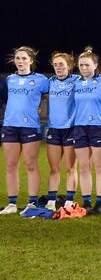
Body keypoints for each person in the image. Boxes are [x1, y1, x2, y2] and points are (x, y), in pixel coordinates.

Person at [1, 46, 49, 215]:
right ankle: (12, 203)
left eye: (24, 58)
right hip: (10, 126)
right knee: (11, 165)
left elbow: (54, 95)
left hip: (30, 127)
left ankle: (32, 203)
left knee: (31, 165)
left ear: (31, 61)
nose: (20, 61)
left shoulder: (41, 80)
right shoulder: (10, 79)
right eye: (18, 58)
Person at [71, 47, 101, 214]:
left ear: (95, 65)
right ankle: (86, 201)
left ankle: (100, 203)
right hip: (79, 127)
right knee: (83, 166)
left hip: (99, 127)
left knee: (100, 166)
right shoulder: (75, 82)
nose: (84, 68)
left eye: (87, 65)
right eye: (81, 65)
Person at [44, 52, 79, 211]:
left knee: (71, 168)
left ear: (69, 66)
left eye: (61, 65)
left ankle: (69, 200)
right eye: (56, 65)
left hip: (71, 129)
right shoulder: (50, 82)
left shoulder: (76, 81)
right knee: (54, 168)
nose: (58, 68)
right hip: (53, 129)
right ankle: (51, 201)